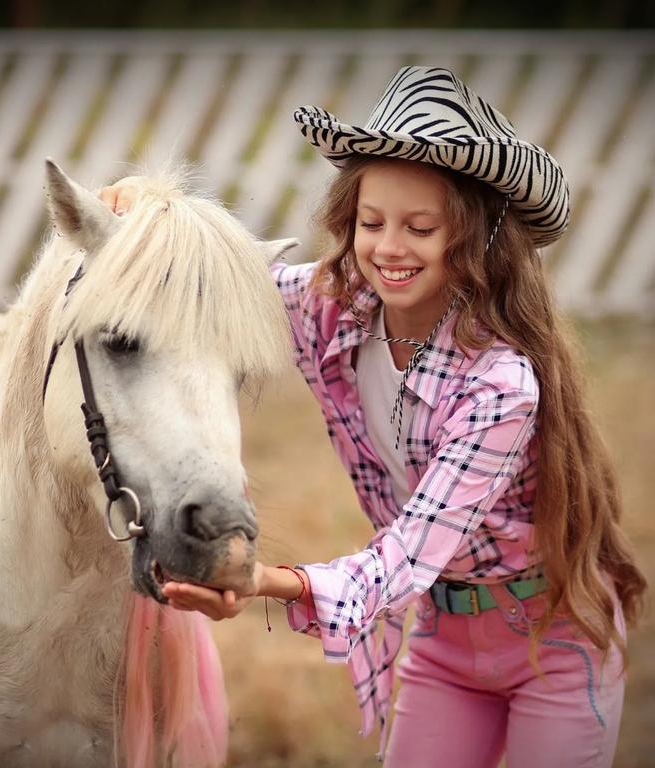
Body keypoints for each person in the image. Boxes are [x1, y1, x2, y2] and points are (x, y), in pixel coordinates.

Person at [99, 66, 647, 767]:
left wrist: (269, 581)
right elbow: (215, 276)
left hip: (552, 640)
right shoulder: (331, 307)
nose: (389, 248)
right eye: (371, 222)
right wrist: (141, 212)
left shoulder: (500, 386)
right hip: (446, 636)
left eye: (421, 227)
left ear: (474, 239)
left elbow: (407, 555)